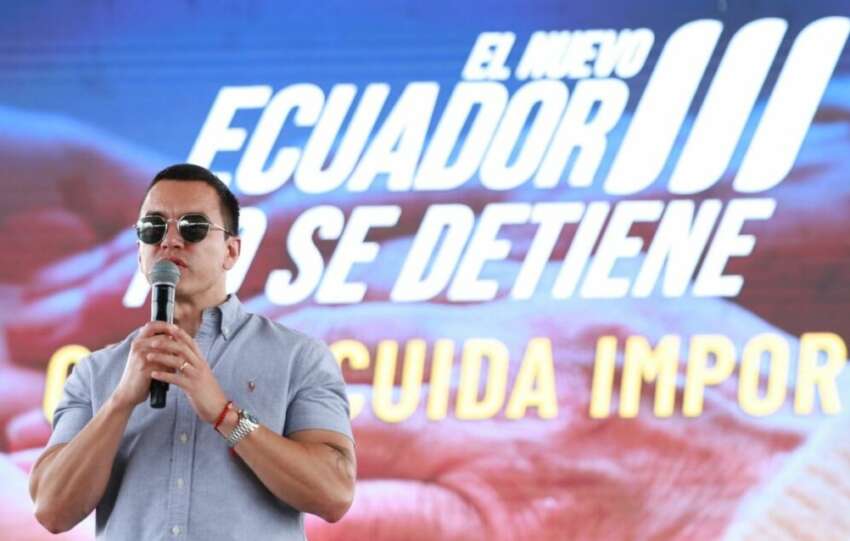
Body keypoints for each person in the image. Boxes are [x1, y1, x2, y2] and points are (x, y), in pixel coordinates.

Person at [27, 163, 356, 540]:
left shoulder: (299, 358)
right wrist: (120, 402)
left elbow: (334, 495)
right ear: (140, 251)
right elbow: (51, 510)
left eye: (192, 227)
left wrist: (224, 414)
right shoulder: (94, 372)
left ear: (231, 251)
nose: (169, 241)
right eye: (153, 228)